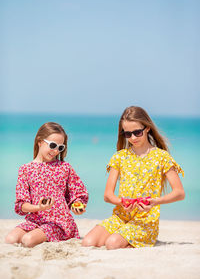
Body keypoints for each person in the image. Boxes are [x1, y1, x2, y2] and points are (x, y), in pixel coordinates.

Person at [82, 106, 185, 249]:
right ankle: (122, 236)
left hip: (145, 222)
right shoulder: (120, 157)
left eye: (137, 132)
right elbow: (107, 195)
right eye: (128, 134)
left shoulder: (162, 157)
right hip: (121, 217)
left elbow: (179, 193)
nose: (133, 138)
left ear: (147, 128)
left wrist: (156, 201)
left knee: (112, 243)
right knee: (87, 242)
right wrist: (122, 202)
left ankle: (128, 238)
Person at [5, 122, 88, 247]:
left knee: (28, 240)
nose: (55, 151)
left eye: (60, 148)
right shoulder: (25, 169)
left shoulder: (64, 167)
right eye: (53, 145)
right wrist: (39, 208)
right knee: (10, 239)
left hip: (59, 222)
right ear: (39, 141)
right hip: (35, 220)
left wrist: (78, 206)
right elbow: (21, 205)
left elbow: (78, 194)